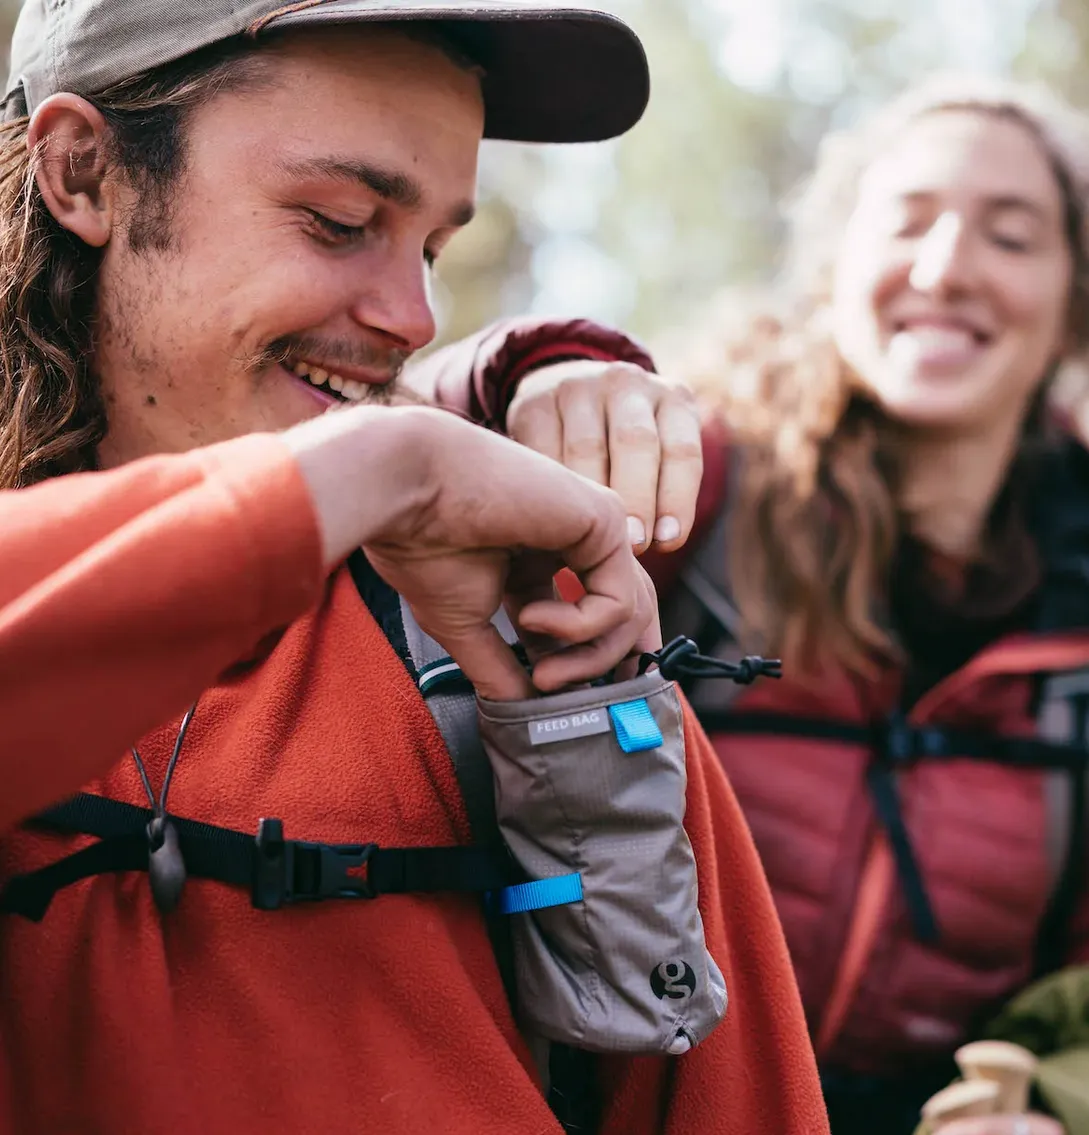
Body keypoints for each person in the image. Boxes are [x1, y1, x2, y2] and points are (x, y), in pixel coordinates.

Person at [0, 2, 830, 1133]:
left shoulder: (520, 639)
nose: (412, 315)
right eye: (339, 221)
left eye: (433, 247)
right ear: (82, 172)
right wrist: (373, 466)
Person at [547, 73, 1089, 1135]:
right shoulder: (682, 497)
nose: (945, 269)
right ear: (838, 262)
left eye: (1011, 237)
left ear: (1075, 297)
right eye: (907, 222)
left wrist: (1053, 1106)